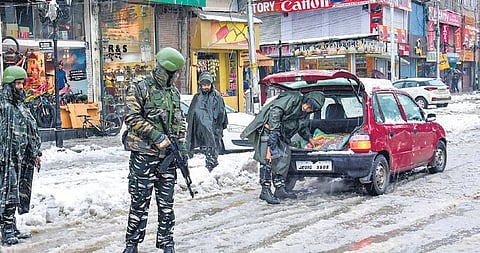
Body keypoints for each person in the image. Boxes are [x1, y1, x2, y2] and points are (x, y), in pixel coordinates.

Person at [121, 47, 187, 253]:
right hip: (144, 155)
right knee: (139, 202)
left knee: (166, 204)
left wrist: (182, 149)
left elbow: (179, 122)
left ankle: (167, 242)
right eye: (172, 73)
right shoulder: (140, 88)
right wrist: (156, 136)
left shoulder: (173, 93)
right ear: (163, 70)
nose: (174, 77)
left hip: (167, 158)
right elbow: (131, 118)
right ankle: (132, 244)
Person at [240, 91, 325, 204]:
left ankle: (280, 188)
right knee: (267, 158)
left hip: (281, 134)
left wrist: (310, 138)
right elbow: (275, 111)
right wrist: (274, 131)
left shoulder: (305, 114)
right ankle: (265, 190)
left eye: (310, 109)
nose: (307, 108)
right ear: (306, 100)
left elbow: (302, 127)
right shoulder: (293, 99)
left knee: (284, 157)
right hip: (267, 129)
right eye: (307, 105)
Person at [0, 66, 42, 245]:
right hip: (7, 158)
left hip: (22, 158)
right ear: (9, 85)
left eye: (22, 83)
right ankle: (6, 229)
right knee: (8, 192)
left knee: (18, 192)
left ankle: (13, 225)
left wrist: (35, 152)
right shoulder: (3, 106)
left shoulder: (21, 106)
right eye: (17, 83)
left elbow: (31, 129)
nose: (20, 87)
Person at [186, 72, 228, 172]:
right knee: (206, 148)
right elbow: (191, 113)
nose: (205, 87)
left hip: (213, 129)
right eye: (203, 85)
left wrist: (218, 127)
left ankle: (212, 166)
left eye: (207, 85)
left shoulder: (216, 96)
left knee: (212, 148)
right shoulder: (197, 97)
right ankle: (209, 167)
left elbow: (221, 112)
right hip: (200, 129)